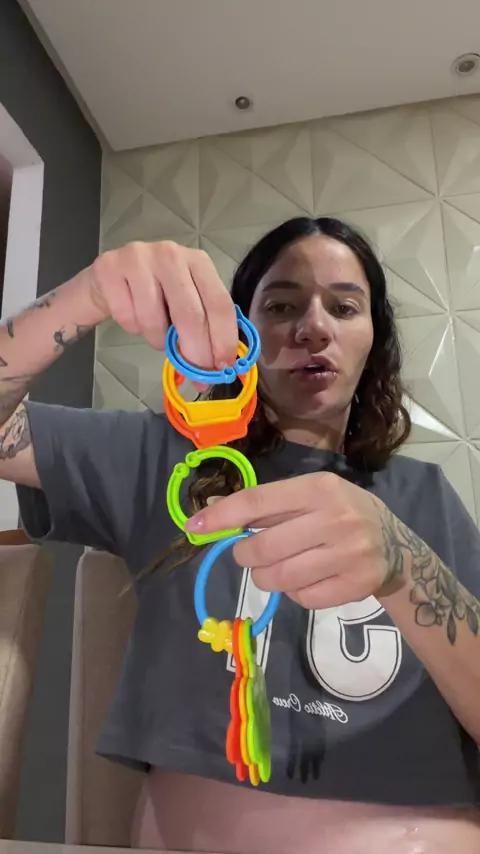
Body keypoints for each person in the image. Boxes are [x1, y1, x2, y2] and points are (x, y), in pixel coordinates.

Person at [0, 216, 479, 854]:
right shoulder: (162, 457)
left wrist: (404, 561)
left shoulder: (427, 498)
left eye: (344, 307)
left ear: (374, 341)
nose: (313, 327)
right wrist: (83, 297)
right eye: (280, 306)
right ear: (239, 335)